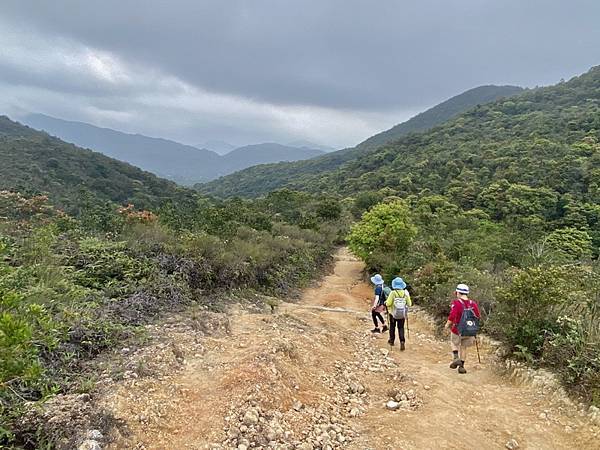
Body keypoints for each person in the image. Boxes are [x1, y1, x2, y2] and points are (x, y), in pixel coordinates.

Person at [444, 283, 481, 374]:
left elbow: (452, 316)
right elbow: (478, 316)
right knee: (464, 347)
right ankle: (461, 367)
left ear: (458, 293)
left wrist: (447, 325)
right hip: (470, 330)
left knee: (453, 342)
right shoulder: (473, 303)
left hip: (458, 329)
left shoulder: (457, 303)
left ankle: (456, 358)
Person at [385, 277, 411, 350]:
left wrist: (385, 302)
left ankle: (391, 341)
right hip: (402, 314)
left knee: (392, 327)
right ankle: (402, 341)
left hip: (393, 314)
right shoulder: (405, 293)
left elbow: (388, 303)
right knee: (401, 328)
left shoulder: (393, 293)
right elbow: (409, 304)